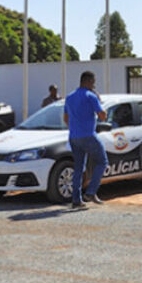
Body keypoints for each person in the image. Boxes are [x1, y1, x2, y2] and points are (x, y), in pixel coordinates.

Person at [63, 71, 108, 209]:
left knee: (78, 167)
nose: (94, 85)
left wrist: (74, 128)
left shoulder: (69, 97)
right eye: (93, 82)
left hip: (73, 137)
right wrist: (99, 100)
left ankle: (76, 200)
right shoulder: (91, 96)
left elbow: (65, 118)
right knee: (102, 162)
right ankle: (91, 192)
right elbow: (102, 117)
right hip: (88, 135)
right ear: (88, 81)